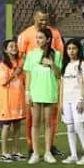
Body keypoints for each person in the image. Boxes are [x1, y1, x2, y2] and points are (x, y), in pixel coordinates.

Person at [18, 10, 65, 157]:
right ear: (34, 18)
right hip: (33, 81)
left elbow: (59, 54)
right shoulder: (25, 35)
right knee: (32, 118)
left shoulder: (55, 34)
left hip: (50, 81)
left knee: (50, 118)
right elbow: (21, 58)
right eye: (41, 20)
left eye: (46, 19)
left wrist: (52, 65)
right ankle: (32, 146)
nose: (44, 22)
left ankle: (50, 146)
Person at [22, 27, 60, 164]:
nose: (38, 40)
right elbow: (28, 74)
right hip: (35, 92)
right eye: (37, 38)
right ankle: (36, 153)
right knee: (35, 123)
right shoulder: (31, 54)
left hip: (49, 91)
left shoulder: (56, 54)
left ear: (48, 39)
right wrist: (27, 92)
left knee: (48, 123)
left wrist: (52, 64)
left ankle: (48, 152)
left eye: (41, 37)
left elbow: (58, 75)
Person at [60, 39, 84, 165]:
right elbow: (62, 85)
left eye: (74, 48)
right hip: (66, 101)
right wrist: (61, 103)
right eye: (69, 49)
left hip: (77, 100)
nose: (71, 51)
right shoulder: (65, 65)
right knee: (70, 127)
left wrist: (81, 99)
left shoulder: (82, 64)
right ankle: (73, 155)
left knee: (79, 126)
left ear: (78, 50)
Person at [0, 39, 26, 163]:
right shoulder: (3, 65)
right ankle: (4, 153)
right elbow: (3, 81)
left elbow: (23, 80)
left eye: (15, 46)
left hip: (18, 98)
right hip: (6, 100)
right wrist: (15, 72)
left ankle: (16, 151)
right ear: (5, 50)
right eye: (11, 46)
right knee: (7, 126)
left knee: (17, 126)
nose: (14, 48)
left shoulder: (19, 63)